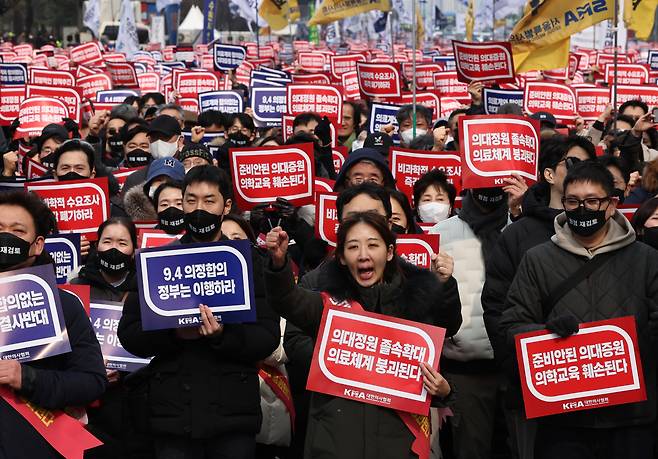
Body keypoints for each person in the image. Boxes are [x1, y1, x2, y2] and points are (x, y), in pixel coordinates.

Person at [265, 212, 460, 459]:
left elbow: (449, 326)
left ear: (389, 252)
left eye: (373, 245)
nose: (363, 254)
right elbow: (287, 300)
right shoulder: (328, 307)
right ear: (342, 258)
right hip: (333, 444)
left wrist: (444, 391)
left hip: (398, 446)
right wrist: (279, 263)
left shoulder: (415, 308)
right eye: (353, 246)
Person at [498, 161, 658, 459]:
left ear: (611, 205)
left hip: (631, 418)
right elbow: (512, 324)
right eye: (572, 201)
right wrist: (546, 334)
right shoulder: (537, 259)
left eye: (592, 201)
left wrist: (624, 346)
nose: (582, 209)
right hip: (563, 417)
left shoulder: (647, 259)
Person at [118, 165, 279, 459]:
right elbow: (129, 334)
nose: (198, 209)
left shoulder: (248, 262)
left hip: (233, 416)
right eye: (190, 200)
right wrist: (173, 331)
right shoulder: (158, 263)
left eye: (209, 201)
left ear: (226, 206)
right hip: (173, 416)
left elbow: (267, 336)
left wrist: (223, 334)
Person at [481, 137, 595, 459]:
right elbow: (497, 308)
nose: (579, 171)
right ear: (548, 175)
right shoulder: (518, 235)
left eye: (587, 164)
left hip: (597, 384)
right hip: (534, 384)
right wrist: (520, 368)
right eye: (571, 163)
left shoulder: (611, 232)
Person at [0, 190, 106, 457]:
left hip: (34, 445)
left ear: (37, 245)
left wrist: (26, 377)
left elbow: (91, 381)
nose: (6, 238)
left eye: (17, 230)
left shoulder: (64, 305)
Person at [71, 218, 150, 459]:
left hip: (139, 401)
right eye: (107, 241)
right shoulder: (76, 287)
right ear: (97, 247)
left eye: (122, 242)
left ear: (133, 250)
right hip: (91, 405)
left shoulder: (147, 288)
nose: (114, 248)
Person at [123, 157, 185, 222]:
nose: (163, 185)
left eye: (171, 181)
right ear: (149, 184)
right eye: (159, 180)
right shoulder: (129, 209)